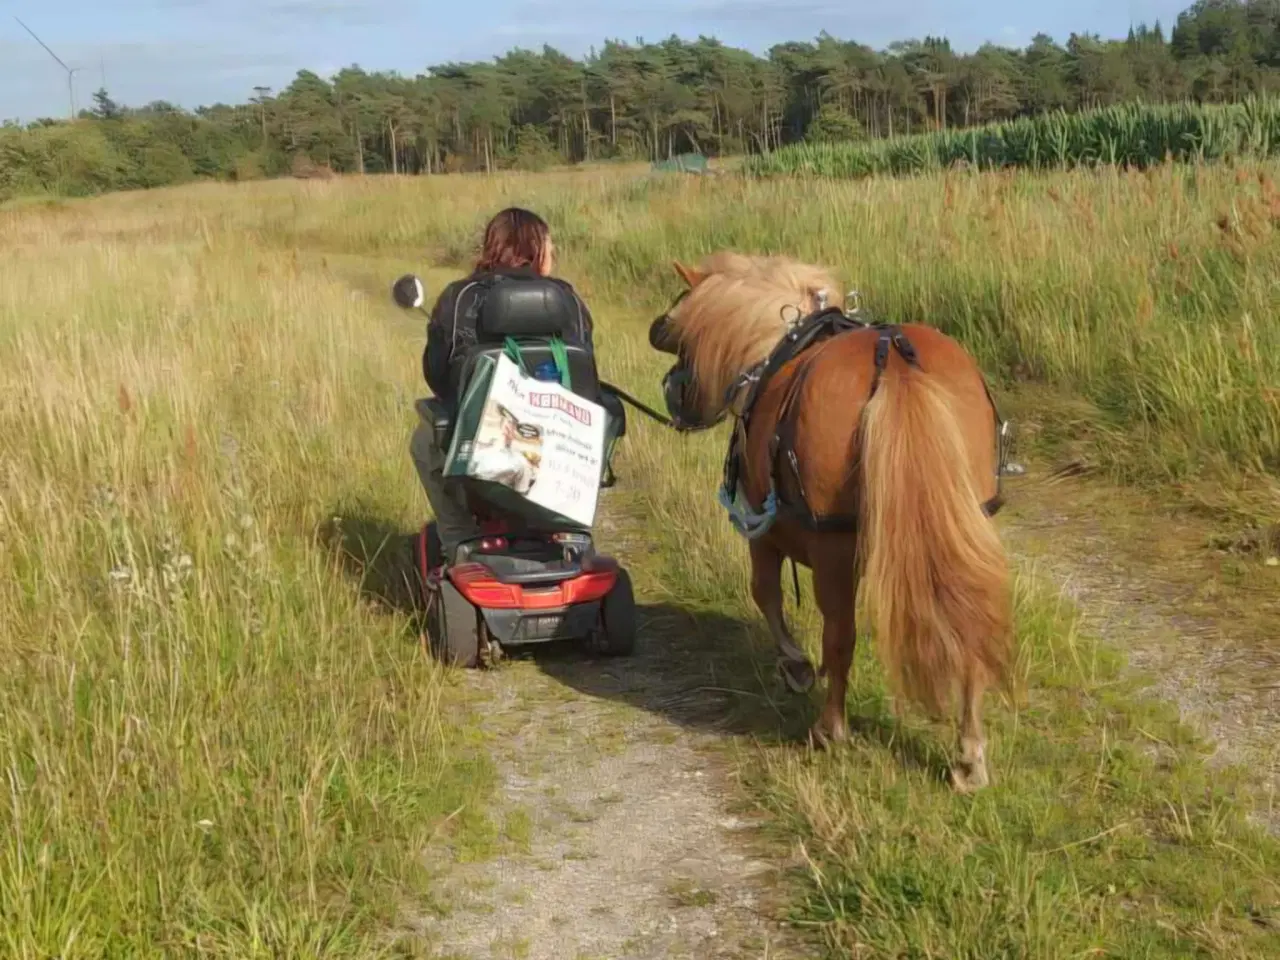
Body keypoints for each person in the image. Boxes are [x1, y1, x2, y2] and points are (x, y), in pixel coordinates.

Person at [410, 207, 595, 566]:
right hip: (562, 457)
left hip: (481, 460)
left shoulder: (459, 298)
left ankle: (460, 542)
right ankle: (568, 531)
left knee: (424, 440)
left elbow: (438, 377)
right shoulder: (569, 301)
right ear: (538, 250)